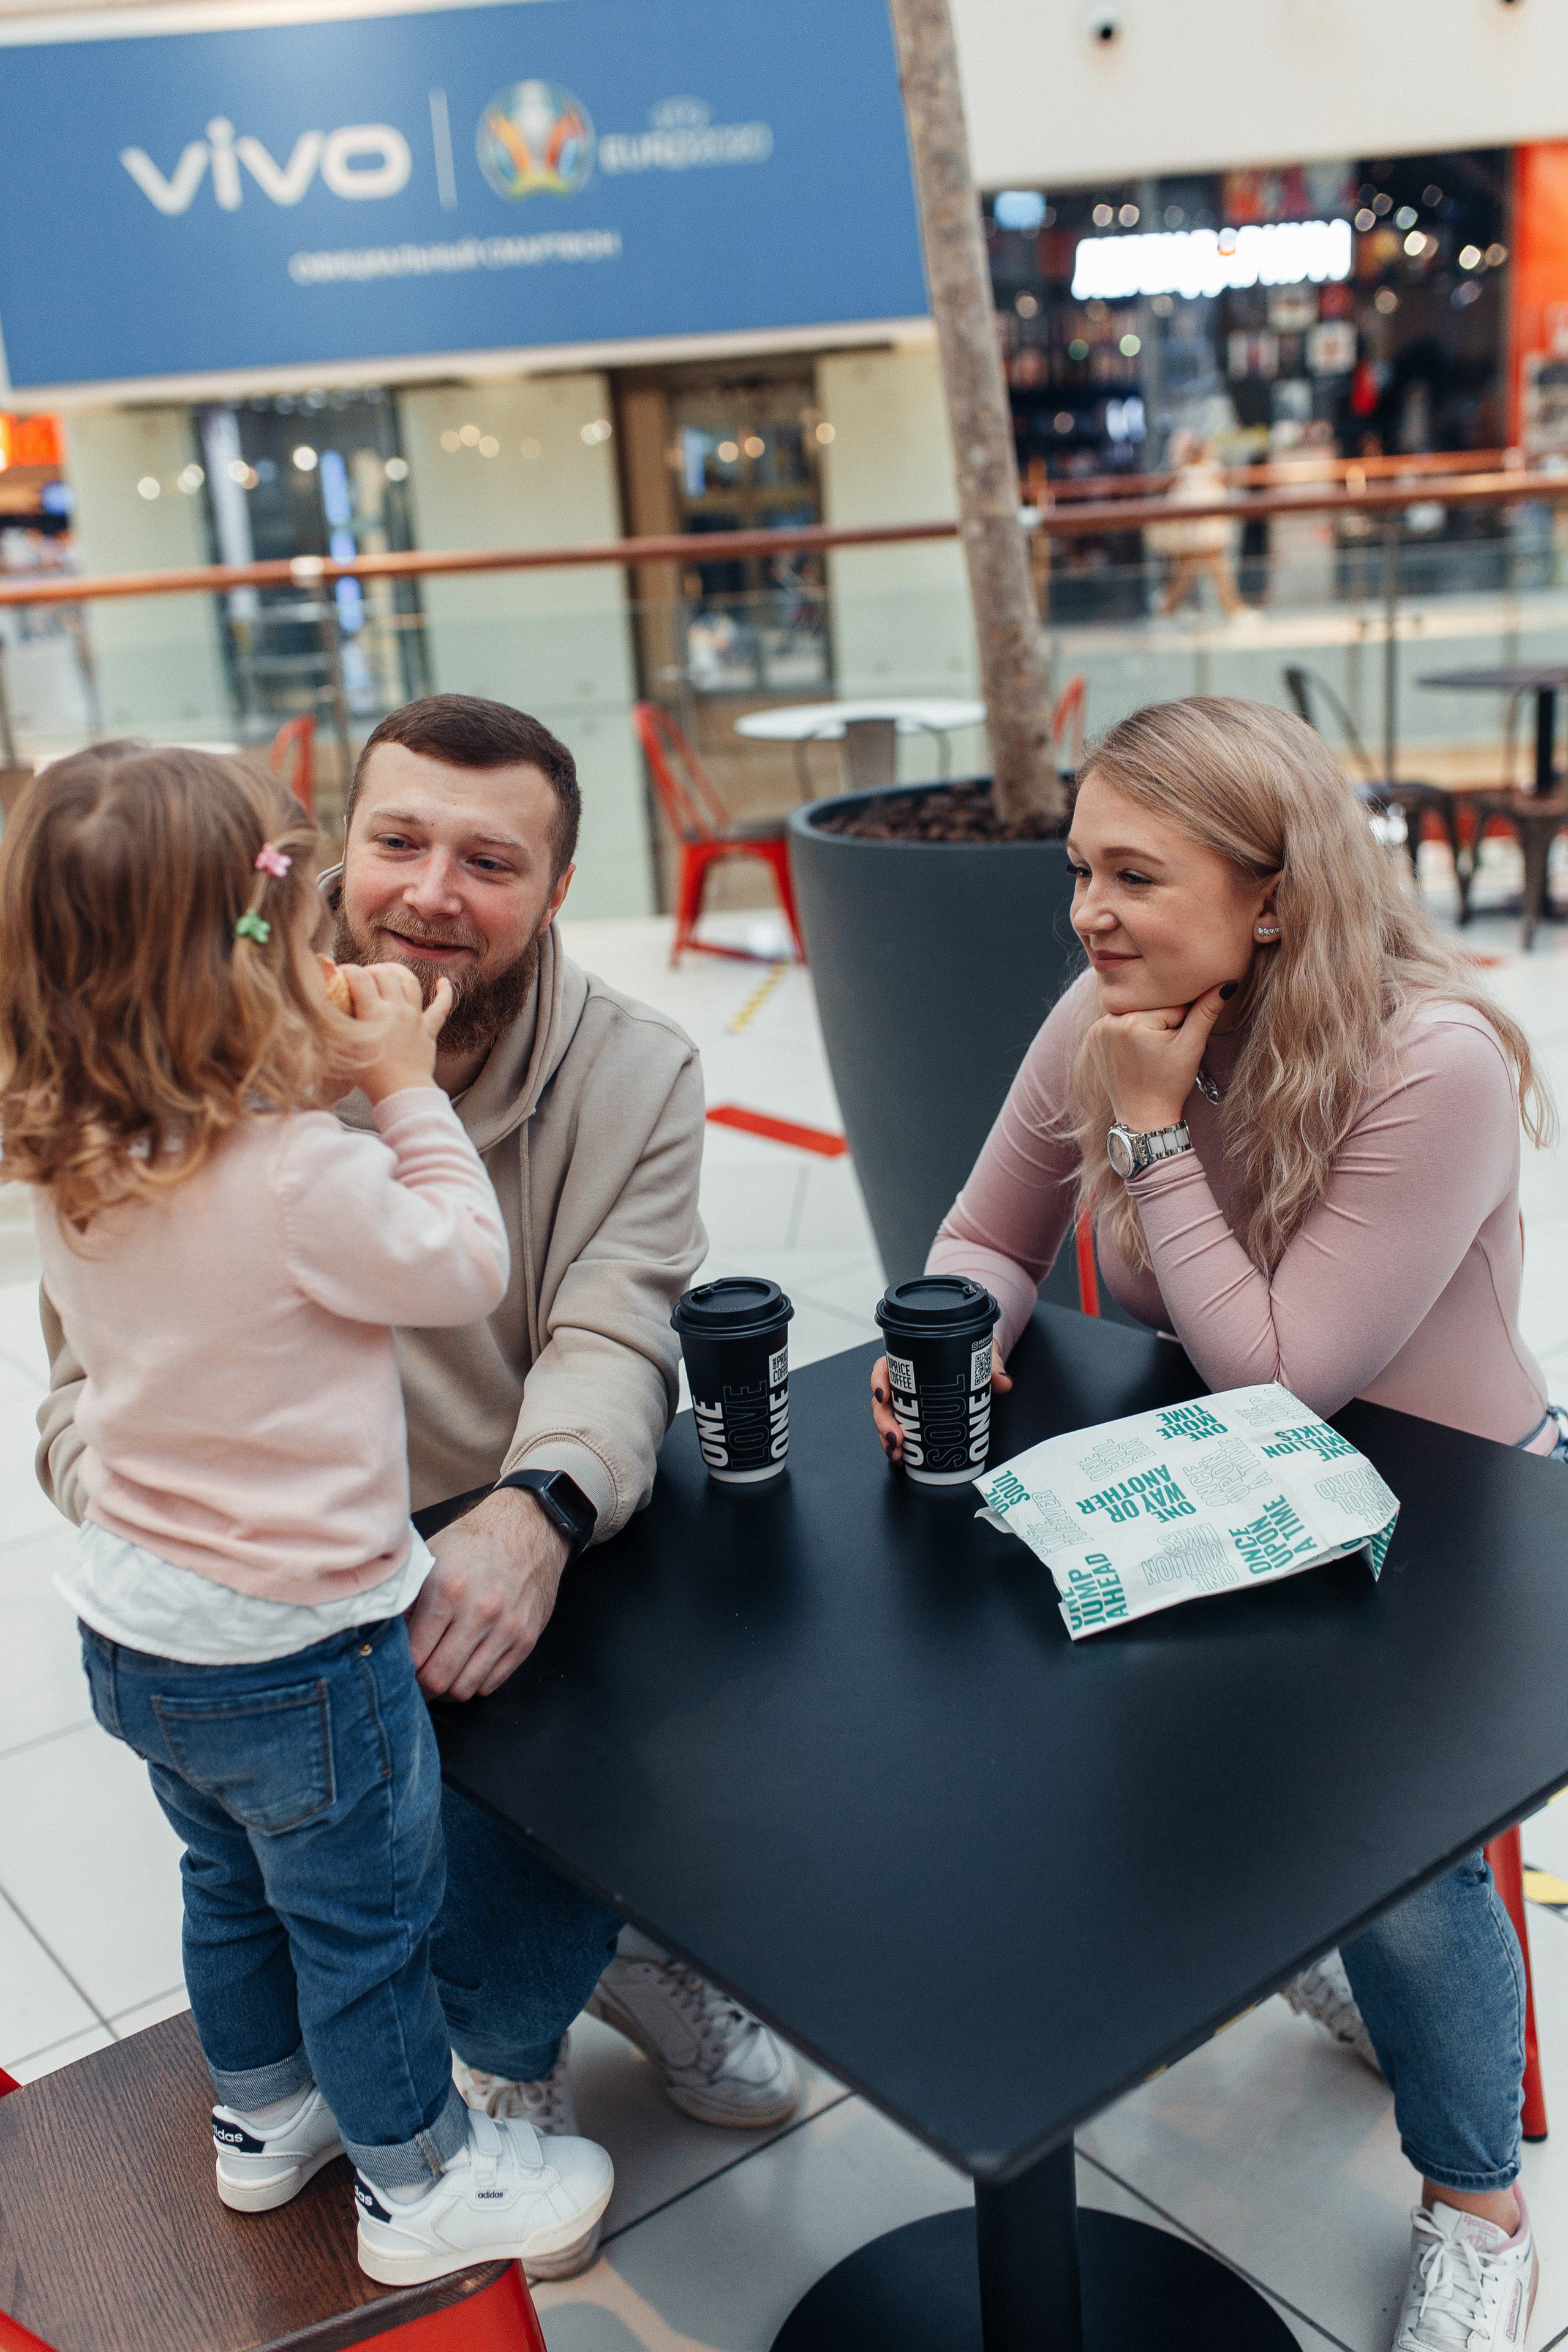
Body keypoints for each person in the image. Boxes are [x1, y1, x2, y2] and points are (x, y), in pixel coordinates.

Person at [36, 696, 801, 2282]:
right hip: (300, 1587)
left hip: (471, 1517)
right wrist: (192, 1521)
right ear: (324, 861)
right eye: (397, 841)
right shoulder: (216, 1078)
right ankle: (454, 2113)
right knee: (358, 1897)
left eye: (489, 859)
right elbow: (74, 1393)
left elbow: (614, 1313)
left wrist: (538, 1513)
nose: (432, 891)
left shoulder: (631, 1067)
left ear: (560, 883)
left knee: (281, 1855)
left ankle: (496, 2005)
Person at [871, 697, 1556, 2352]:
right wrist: (947, 1340)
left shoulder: (1437, 1058)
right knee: (1151, 1754)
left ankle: (1483, 2211)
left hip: (1454, 1520)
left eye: (1133, 876)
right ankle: (1316, 1955)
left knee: (1403, 1867)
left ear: (1273, 896)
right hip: (1245, 1492)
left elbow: (1280, 1376)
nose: (1087, 915)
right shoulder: (1108, 1008)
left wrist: (1154, 1131)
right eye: (1080, 872)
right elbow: (985, 1231)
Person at [1148, 430, 1246, 618]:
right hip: (1199, 535)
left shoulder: (1204, 472)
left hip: (1205, 534)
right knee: (1202, 572)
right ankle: (1232, 609)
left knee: (1198, 572)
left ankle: (1167, 609)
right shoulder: (1193, 476)